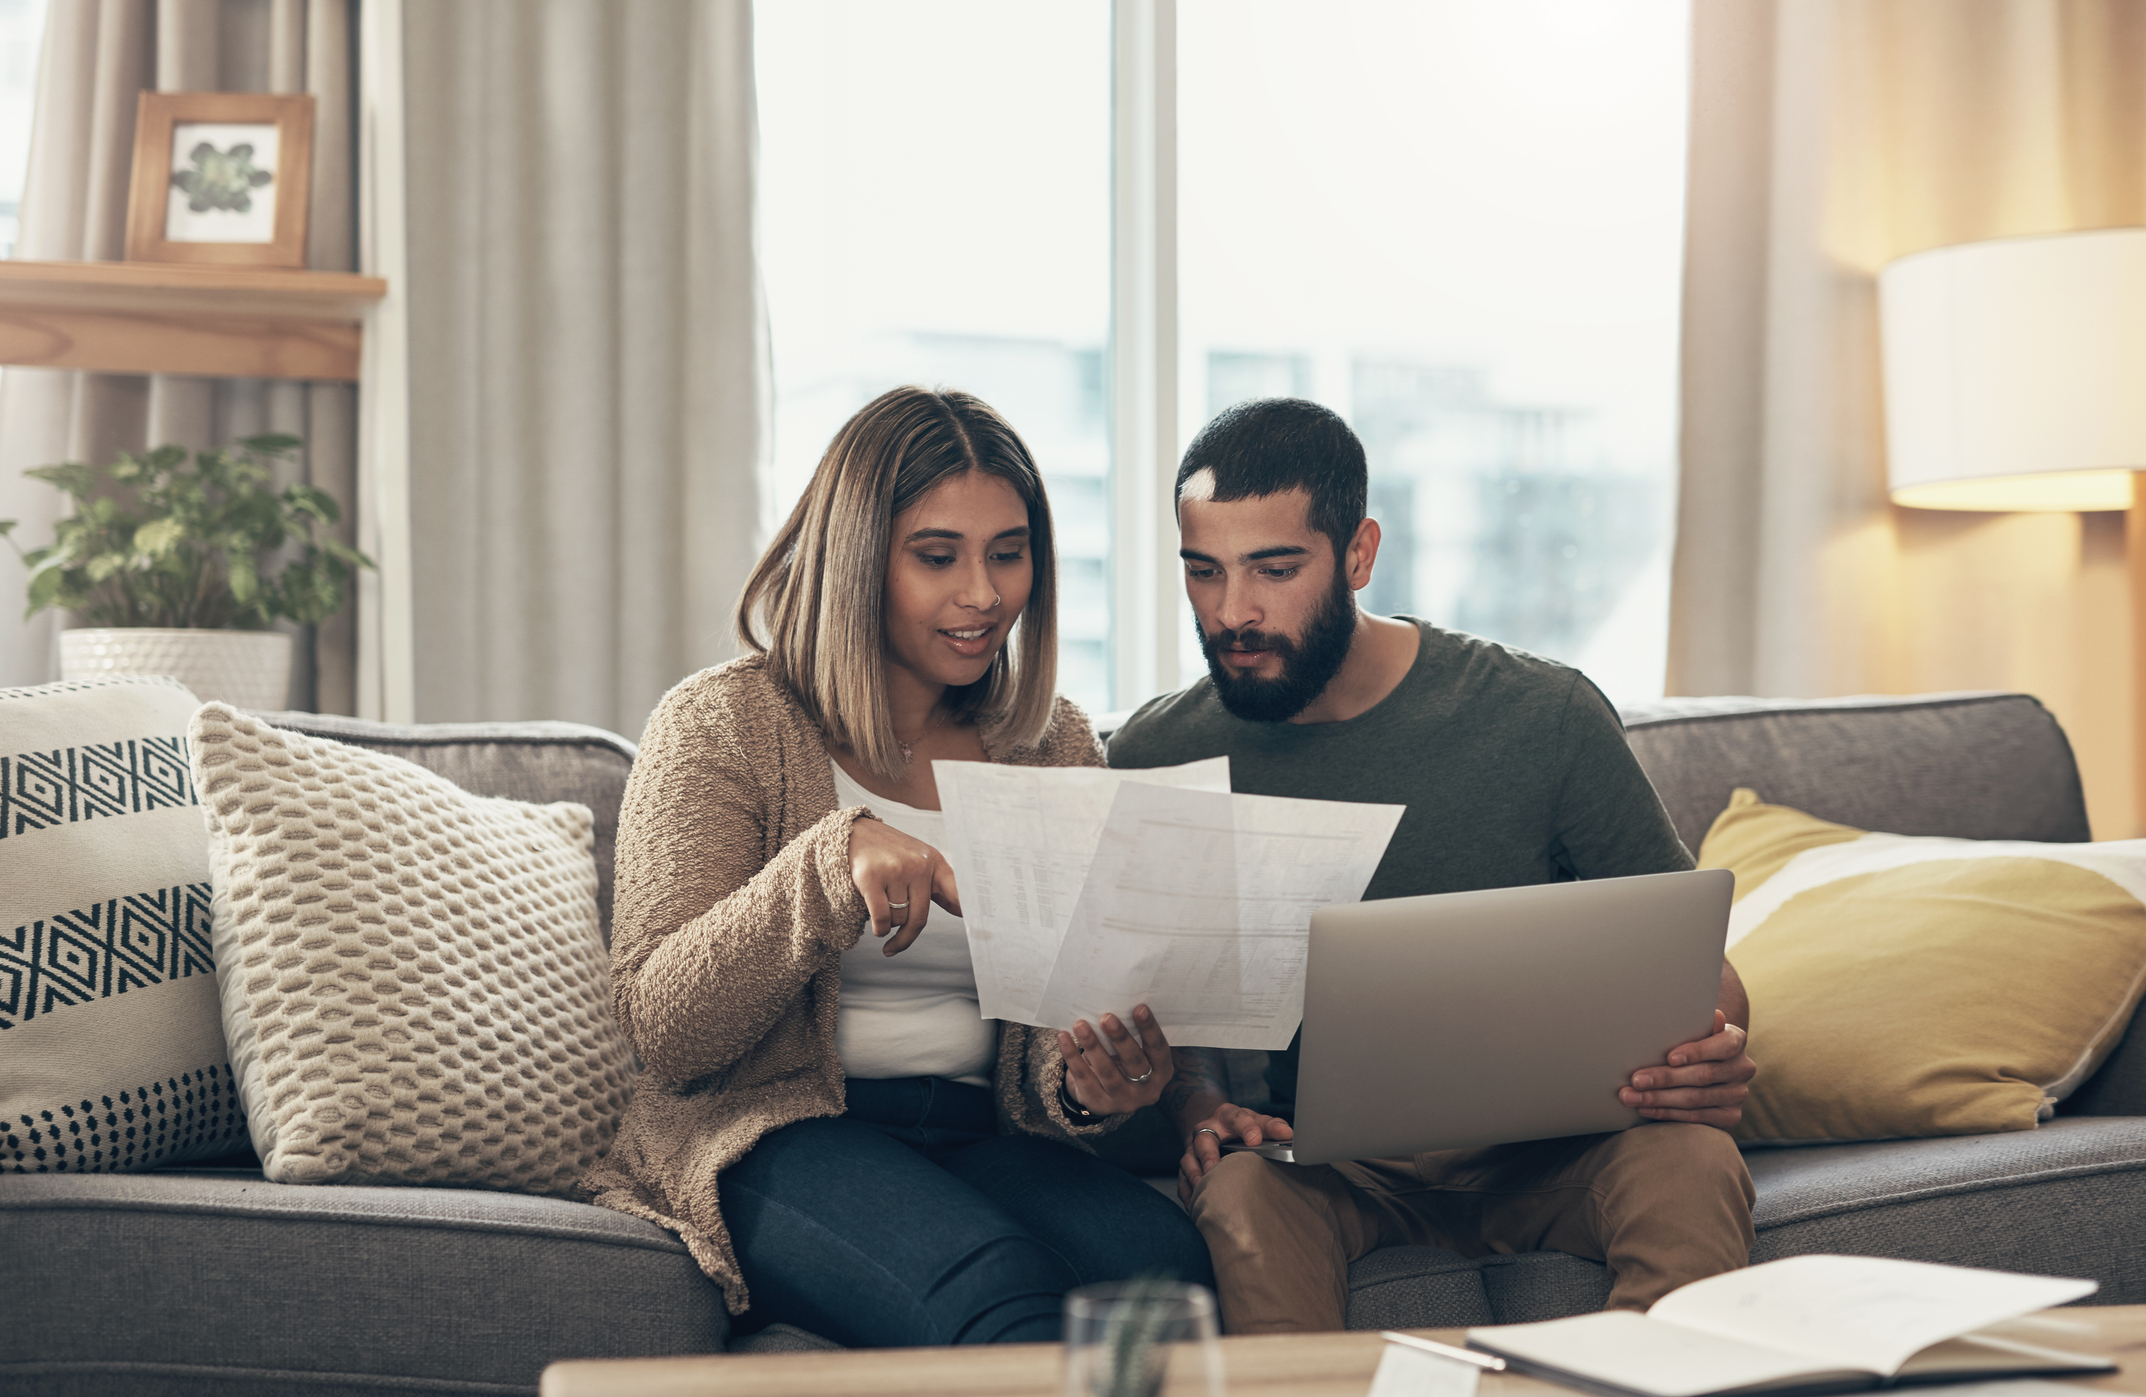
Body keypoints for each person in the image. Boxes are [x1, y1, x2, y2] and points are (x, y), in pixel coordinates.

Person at [1107, 397, 1759, 1334]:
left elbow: (1709, 981)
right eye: (1203, 572)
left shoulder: (1544, 716)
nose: (1233, 612)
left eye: (1274, 569)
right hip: (1321, 1167)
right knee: (1239, 1192)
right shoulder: (1155, 754)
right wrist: (1201, 1105)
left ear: (1360, 554)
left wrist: (1710, 1051)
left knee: (1692, 1162)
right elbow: (1148, 1009)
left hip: (1556, 1152)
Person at [583, 386, 1212, 1348]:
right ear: (855, 562)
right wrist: (830, 864)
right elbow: (664, 1027)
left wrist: (1084, 1082)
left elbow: (1049, 1018)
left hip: (975, 1131)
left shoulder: (1051, 745)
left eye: (1009, 552)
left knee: (1161, 1260)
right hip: (771, 1132)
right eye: (937, 556)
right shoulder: (721, 724)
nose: (984, 593)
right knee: (1003, 1291)